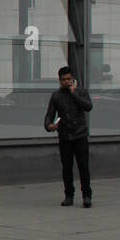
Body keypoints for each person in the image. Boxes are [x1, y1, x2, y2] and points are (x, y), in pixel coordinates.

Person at [44, 66, 93, 207]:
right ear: (59, 80)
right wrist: (49, 126)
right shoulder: (56, 96)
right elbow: (49, 115)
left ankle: (87, 196)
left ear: (73, 79)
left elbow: (88, 107)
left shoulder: (81, 91)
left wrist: (74, 93)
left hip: (80, 135)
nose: (66, 81)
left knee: (83, 166)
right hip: (65, 136)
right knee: (67, 167)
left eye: (69, 79)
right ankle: (69, 195)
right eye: (63, 79)